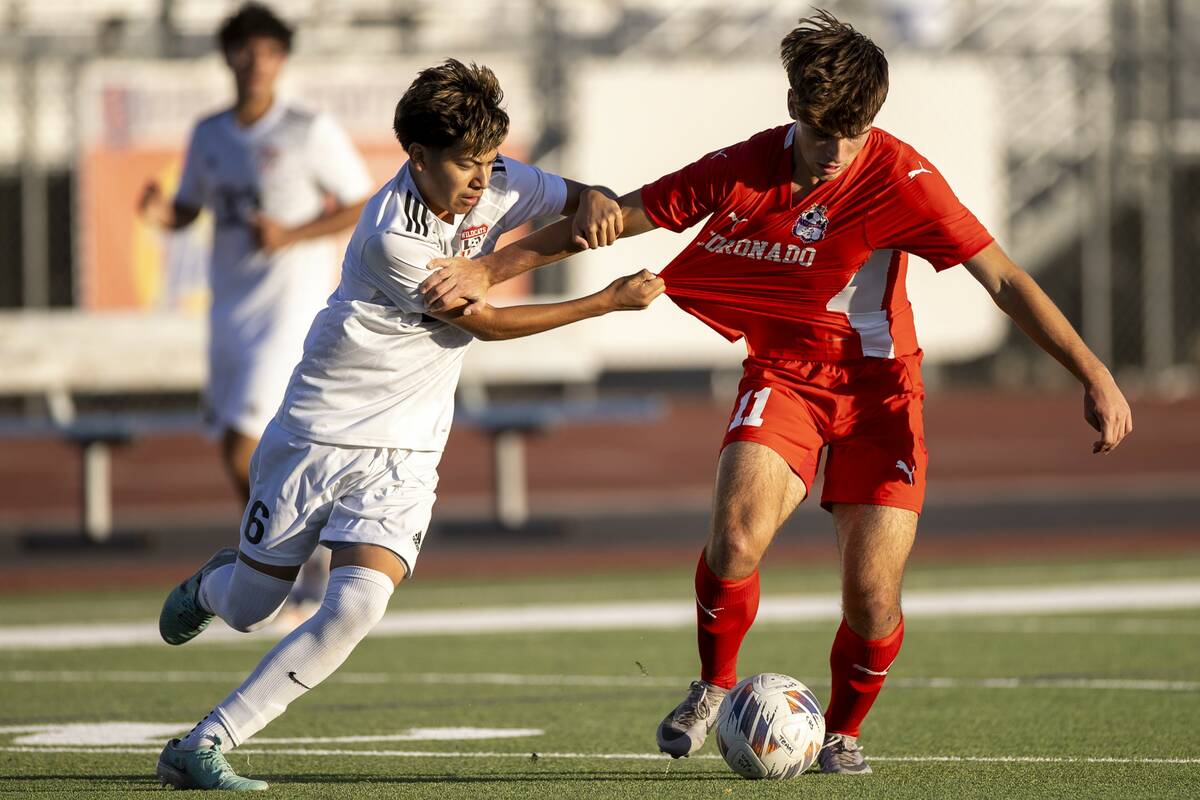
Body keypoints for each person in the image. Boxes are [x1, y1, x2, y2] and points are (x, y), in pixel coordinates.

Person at [418, 10, 1133, 776]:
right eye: (824, 133)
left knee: (872, 601)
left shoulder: (904, 179)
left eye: (854, 132)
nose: (838, 152)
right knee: (733, 541)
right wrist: (487, 269)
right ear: (793, 106)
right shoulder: (746, 165)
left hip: (880, 397)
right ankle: (713, 687)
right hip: (784, 378)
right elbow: (618, 220)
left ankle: (844, 732)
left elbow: (1008, 279)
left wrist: (1093, 372)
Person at [153, 58, 660, 791]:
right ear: (417, 157)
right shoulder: (392, 235)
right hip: (318, 432)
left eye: (489, 160)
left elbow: (582, 196)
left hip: (409, 446)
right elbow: (485, 323)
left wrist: (599, 201)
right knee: (252, 607)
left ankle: (205, 742)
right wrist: (603, 303)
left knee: (356, 603)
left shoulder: (503, 180)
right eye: (465, 164)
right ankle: (209, 588)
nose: (482, 180)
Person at [138, 3, 373, 615]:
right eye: (244, 49)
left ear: (282, 59)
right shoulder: (210, 134)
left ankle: (285, 562)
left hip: (287, 309)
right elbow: (190, 206)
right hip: (229, 309)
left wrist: (292, 235)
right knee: (232, 448)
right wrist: (163, 214)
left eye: (267, 50)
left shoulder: (306, 128)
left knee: (248, 443)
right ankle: (293, 552)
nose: (255, 61)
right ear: (228, 57)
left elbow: (360, 202)